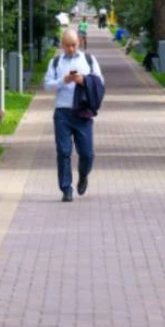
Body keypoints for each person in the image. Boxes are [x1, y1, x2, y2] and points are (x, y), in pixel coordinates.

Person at [43, 29, 104, 202]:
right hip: (62, 112)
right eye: (67, 45)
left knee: (87, 154)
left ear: (80, 43)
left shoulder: (89, 60)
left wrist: (83, 80)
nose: (70, 49)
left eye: (74, 45)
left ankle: (83, 175)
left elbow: (100, 82)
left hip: (83, 112)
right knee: (63, 152)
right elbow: (47, 86)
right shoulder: (56, 62)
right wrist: (63, 81)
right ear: (62, 44)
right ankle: (66, 189)